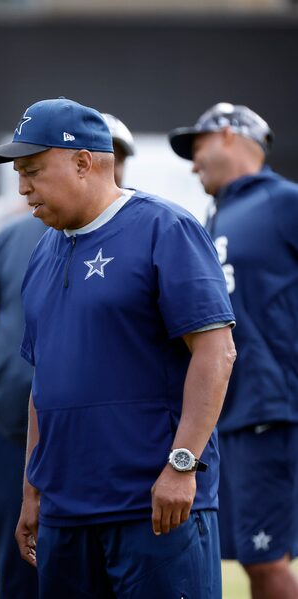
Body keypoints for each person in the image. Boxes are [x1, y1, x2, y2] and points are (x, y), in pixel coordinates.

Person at [0, 97, 236, 598]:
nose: (22, 186)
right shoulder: (42, 252)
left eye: (32, 169)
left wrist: (182, 466)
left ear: (83, 162)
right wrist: (33, 490)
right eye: (18, 173)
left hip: (154, 508)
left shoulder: (166, 228)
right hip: (66, 514)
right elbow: (44, 383)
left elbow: (217, 352)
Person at [0, 112, 135, 599]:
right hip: (13, 436)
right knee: (20, 573)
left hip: (111, 445)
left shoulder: (151, 231)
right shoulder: (14, 238)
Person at [169, 102, 298, 599]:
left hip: (273, 410)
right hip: (233, 413)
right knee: (252, 558)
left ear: (227, 135)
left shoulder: (283, 202)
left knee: (265, 561)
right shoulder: (217, 214)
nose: (193, 162)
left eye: (197, 147)